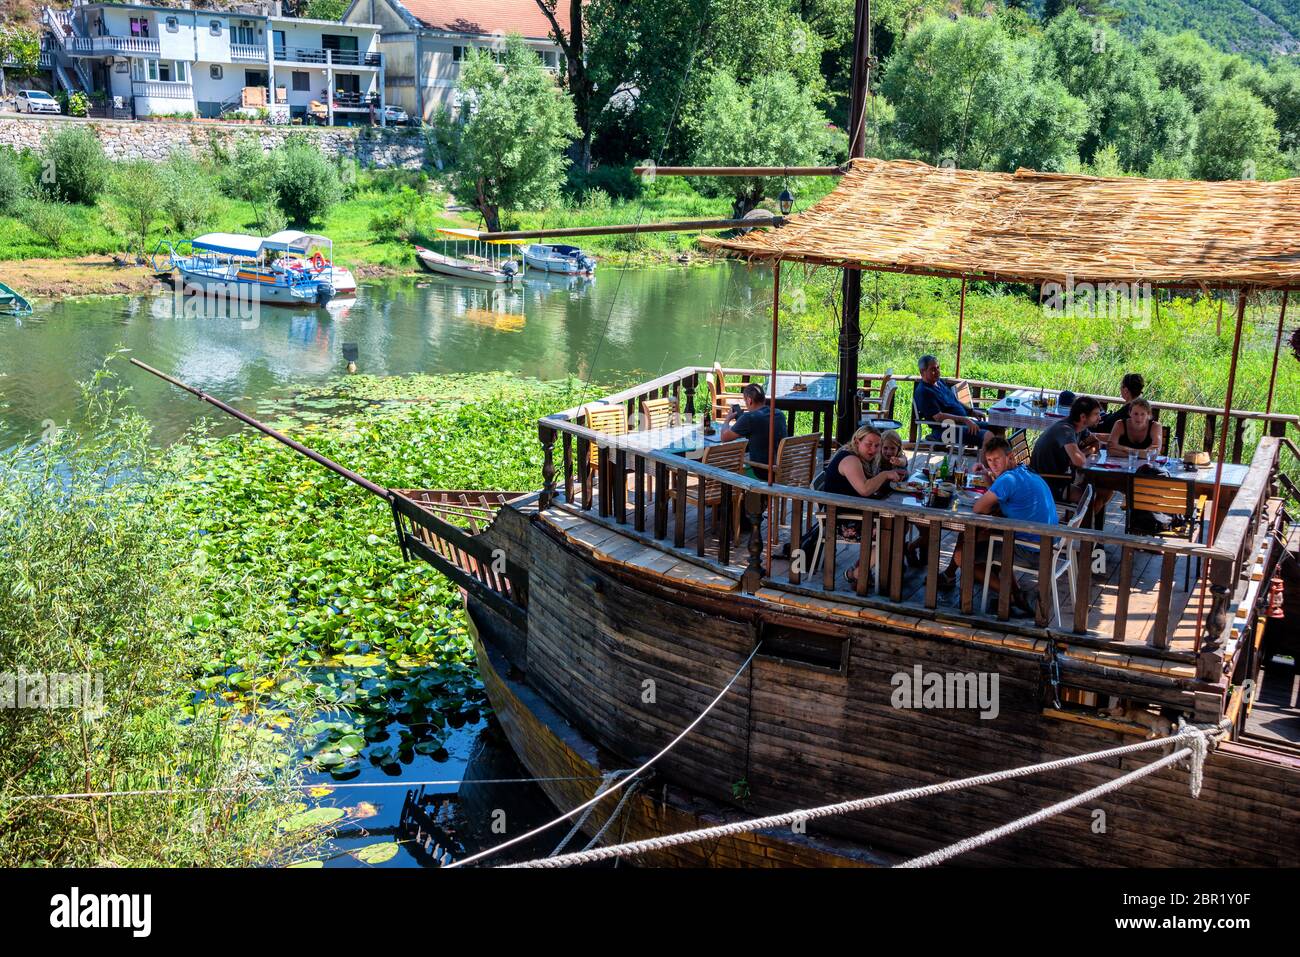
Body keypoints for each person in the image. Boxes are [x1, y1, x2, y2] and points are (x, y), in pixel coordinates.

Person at [955, 436, 1058, 617]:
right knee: (982, 536)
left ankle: (1009, 595)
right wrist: (987, 476)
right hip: (1048, 545)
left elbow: (979, 508)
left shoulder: (1008, 480)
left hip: (1032, 552)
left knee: (961, 556)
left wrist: (989, 482)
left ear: (1009, 457)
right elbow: (1000, 495)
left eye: (997, 460)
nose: (993, 465)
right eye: (989, 460)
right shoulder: (1025, 471)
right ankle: (1014, 592)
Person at [797, 426, 906, 588]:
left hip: (854, 514)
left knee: (900, 524)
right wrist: (884, 475)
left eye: (877, 446)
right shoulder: (850, 460)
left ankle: (862, 569)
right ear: (857, 441)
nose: (874, 450)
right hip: (841, 522)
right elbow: (864, 489)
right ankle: (857, 573)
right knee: (894, 531)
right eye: (869, 444)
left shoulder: (858, 456)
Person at [913, 354, 990, 448]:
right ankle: (987, 461)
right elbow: (938, 417)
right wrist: (965, 420)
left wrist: (971, 412)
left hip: (961, 425)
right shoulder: (924, 391)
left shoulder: (939, 382)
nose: (937, 371)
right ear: (922, 372)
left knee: (996, 428)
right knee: (988, 436)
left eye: (938, 367)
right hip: (947, 431)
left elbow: (955, 402)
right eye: (933, 369)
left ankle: (999, 460)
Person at [722, 383, 787, 480]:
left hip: (763, 472)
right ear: (764, 399)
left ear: (749, 400)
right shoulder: (779, 414)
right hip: (783, 469)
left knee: (729, 467)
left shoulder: (749, 418)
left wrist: (727, 419)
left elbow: (724, 437)